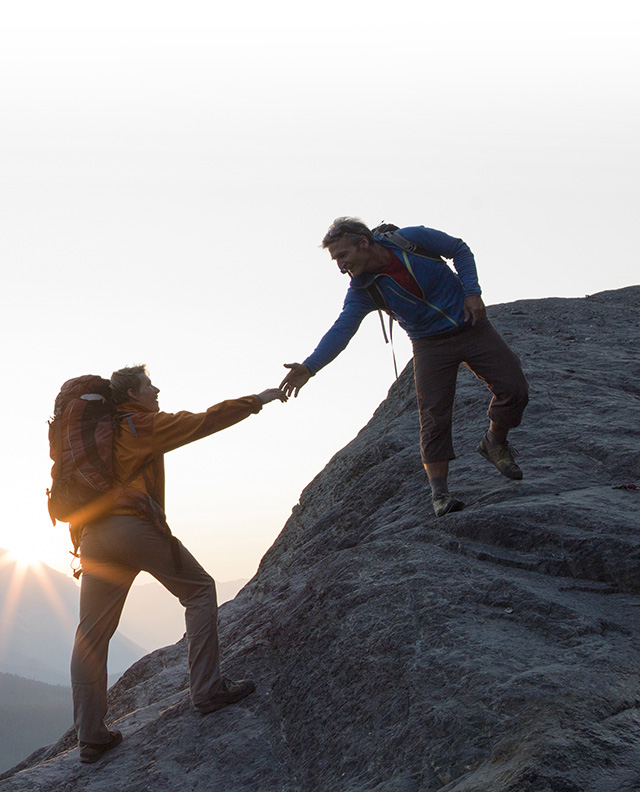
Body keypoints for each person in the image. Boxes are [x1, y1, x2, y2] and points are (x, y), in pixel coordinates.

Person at [70, 365, 286, 764]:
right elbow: (203, 421)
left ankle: (91, 736)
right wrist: (257, 401)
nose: (156, 390)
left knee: (91, 636)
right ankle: (207, 690)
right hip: (132, 528)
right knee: (200, 590)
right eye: (149, 385)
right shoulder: (141, 425)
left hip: (92, 537)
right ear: (133, 394)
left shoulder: (97, 435)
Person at [280, 218, 529, 517]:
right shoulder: (362, 291)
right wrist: (310, 367)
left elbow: (458, 249)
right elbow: (341, 330)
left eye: (343, 256)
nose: (340, 266)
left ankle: (494, 442)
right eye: (335, 260)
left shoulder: (410, 240)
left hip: (472, 326)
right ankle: (440, 494)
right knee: (434, 416)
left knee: (514, 389)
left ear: (363, 242)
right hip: (429, 345)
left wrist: (472, 292)